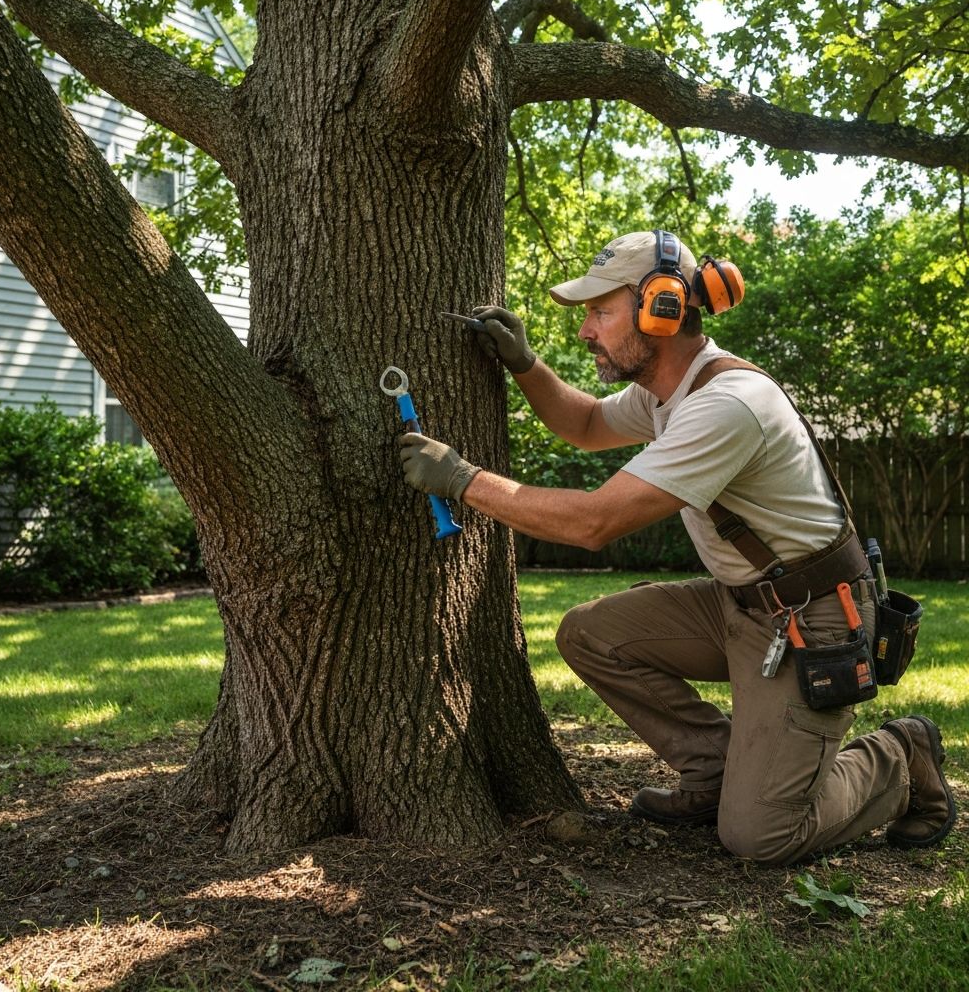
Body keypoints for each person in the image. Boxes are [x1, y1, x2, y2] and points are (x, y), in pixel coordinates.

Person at [398, 229, 956, 864]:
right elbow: (584, 425)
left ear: (658, 309)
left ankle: (900, 756)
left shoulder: (726, 406)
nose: (586, 330)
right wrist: (527, 366)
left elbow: (595, 523)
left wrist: (464, 481)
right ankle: (716, 771)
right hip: (741, 606)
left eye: (599, 311)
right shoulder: (664, 392)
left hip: (814, 619)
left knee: (760, 837)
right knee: (589, 634)